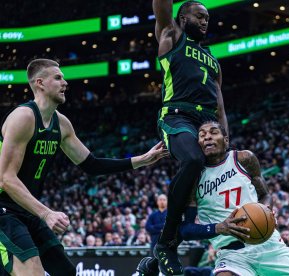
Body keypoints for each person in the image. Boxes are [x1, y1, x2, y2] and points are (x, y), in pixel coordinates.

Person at [0, 59, 168, 276]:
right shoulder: (23, 117)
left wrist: (141, 160)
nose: (65, 83)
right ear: (40, 83)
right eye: (58, 78)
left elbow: (91, 164)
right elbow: (6, 179)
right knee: (32, 272)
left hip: (28, 211)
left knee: (66, 272)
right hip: (4, 211)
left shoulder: (61, 124)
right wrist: (47, 213)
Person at [138, 121, 289, 275]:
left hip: (269, 245)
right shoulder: (193, 179)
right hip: (232, 254)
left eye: (213, 132)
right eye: (202, 135)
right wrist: (219, 227)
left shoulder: (244, 159)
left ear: (225, 139)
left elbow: (265, 195)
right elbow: (185, 229)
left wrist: (266, 209)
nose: (207, 136)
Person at [152, 1, 228, 274]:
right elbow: (162, 8)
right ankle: (166, 240)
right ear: (183, 18)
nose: (206, 21)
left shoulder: (213, 60)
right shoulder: (172, 36)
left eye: (208, 17)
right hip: (177, 116)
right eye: (200, 16)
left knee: (204, 195)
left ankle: (154, 260)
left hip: (207, 122)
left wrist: (225, 137)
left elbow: (219, 103)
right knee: (194, 159)